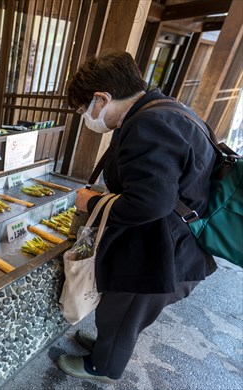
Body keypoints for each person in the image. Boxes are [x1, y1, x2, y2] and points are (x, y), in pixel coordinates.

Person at [58, 51, 217, 383]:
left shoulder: (150, 124)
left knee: (124, 313)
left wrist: (90, 203)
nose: (85, 117)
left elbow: (150, 203)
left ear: (101, 98)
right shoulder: (163, 111)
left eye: (83, 109)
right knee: (118, 313)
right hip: (170, 242)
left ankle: (104, 367)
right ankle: (106, 346)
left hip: (163, 254)